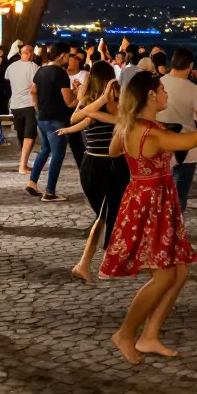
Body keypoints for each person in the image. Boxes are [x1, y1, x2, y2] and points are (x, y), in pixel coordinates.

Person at [99, 72, 197, 364]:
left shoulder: (134, 127)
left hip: (150, 197)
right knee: (164, 277)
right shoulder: (152, 133)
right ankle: (125, 333)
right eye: (161, 90)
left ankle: (149, 336)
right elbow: (196, 137)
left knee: (180, 273)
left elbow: (113, 150)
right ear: (150, 96)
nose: (165, 95)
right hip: (150, 203)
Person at [60, 62, 129, 283]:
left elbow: (83, 119)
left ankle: (97, 262)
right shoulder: (100, 103)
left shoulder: (93, 103)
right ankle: (94, 263)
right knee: (107, 215)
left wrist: (96, 109)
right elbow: (75, 119)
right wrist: (103, 100)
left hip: (93, 165)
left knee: (106, 215)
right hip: (107, 165)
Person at [157, 49, 197, 211]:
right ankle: (174, 232)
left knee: (158, 196)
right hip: (187, 150)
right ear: (190, 66)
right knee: (178, 199)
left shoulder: (157, 84)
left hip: (159, 147)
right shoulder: (193, 89)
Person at [27, 42, 76, 201]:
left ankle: (32, 182)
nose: (68, 59)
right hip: (57, 119)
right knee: (57, 155)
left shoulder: (41, 70)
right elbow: (68, 101)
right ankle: (50, 192)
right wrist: (81, 96)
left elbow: (33, 91)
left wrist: (37, 106)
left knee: (45, 150)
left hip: (42, 117)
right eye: (68, 55)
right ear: (62, 55)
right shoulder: (60, 74)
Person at [5, 43, 40, 173]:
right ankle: (23, 165)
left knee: (21, 134)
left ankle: (23, 162)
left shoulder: (11, 67)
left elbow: (7, 78)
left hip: (15, 105)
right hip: (29, 104)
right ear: (30, 53)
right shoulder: (33, 67)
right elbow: (35, 87)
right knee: (30, 134)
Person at [65, 51, 88, 168]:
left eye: (71, 59)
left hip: (83, 110)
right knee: (74, 141)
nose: (68, 62)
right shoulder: (62, 75)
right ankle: (81, 164)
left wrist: (74, 95)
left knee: (84, 139)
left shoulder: (85, 75)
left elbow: (86, 94)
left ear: (78, 62)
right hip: (68, 111)